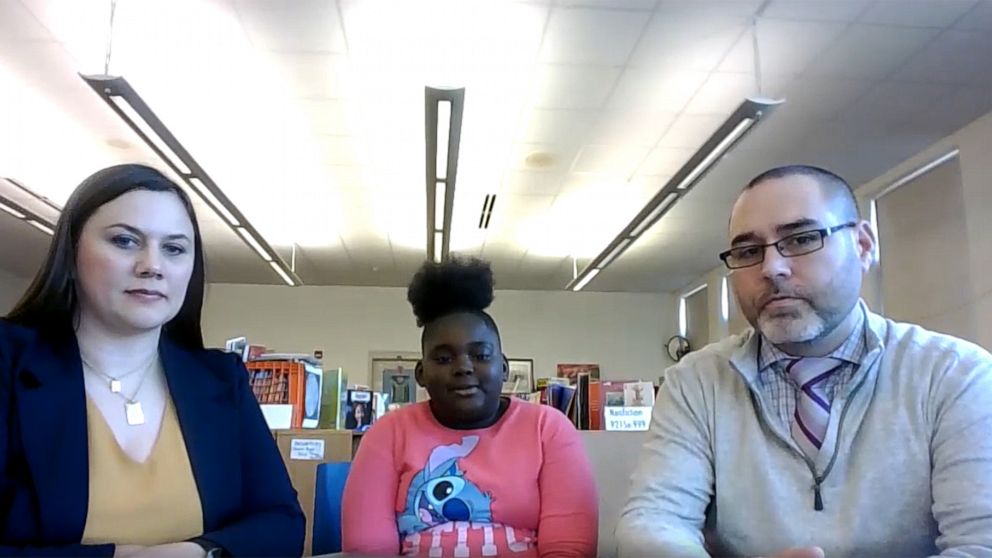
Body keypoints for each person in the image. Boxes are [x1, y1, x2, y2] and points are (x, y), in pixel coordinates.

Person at [616, 165, 992, 557]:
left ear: (863, 246)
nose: (771, 268)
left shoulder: (955, 375)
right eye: (748, 251)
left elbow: (982, 543)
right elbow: (654, 522)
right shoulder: (697, 382)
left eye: (801, 239)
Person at [0, 165, 304, 557]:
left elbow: (283, 524)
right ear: (71, 252)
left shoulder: (219, 380)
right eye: (125, 241)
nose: (152, 265)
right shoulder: (9, 364)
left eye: (174, 248)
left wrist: (199, 553)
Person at [342, 257, 598, 557]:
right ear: (421, 373)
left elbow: (568, 550)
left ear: (503, 368)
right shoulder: (387, 433)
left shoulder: (548, 429)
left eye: (480, 355)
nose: (463, 367)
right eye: (443, 358)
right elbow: (367, 550)